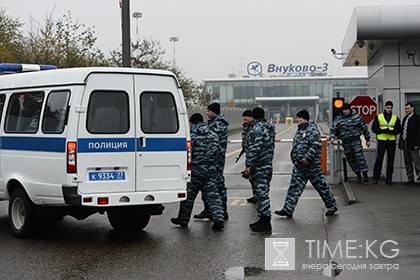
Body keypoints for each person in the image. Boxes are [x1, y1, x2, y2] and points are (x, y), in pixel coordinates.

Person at [275, 110, 337, 218]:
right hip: (299, 166)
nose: (298, 119)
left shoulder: (312, 129)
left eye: (301, 118)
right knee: (294, 188)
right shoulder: (299, 130)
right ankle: (288, 209)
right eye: (298, 118)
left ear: (305, 119)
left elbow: (316, 145)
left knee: (322, 187)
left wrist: (307, 158)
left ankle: (332, 206)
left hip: (311, 166)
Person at [171, 113, 225, 230]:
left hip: (196, 171)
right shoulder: (214, 135)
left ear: (193, 122)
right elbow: (218, 152)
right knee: (213, 196)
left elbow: (188, 154)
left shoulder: (192, 136)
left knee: (189, 197)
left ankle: (183, 220)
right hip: (210, 170)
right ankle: (219, 220)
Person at [194, 102, 229, 220]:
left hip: (215, 158)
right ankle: (209, 209)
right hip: (212, 158)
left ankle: (222, 210)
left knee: (217, 183)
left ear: (214, 111)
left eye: (208, 111)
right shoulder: (213, 123)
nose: (206, 113)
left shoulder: (218, 125)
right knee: (208, 185)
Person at [242, 107, 275, 232]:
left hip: (259, 166)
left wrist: (248, 165)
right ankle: (262, 219)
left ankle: (265, 221)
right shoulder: (269, 127)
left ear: (254, 116)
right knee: (262, 192)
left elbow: (255, 149)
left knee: (261, 195)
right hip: (267, 164)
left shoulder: (257, 129)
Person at [329, 103, 371, 183]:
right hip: (346, 142)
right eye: (343, 110)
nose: (345, 111)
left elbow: (364, 128)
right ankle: (358, 174)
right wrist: (332, 137)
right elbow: (333, 129)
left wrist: (367, 139)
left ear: (349, 110)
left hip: (355, 140)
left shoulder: (356, 117)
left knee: (360, 157)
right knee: (351, 159)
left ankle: (364, 173)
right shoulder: (338, 119)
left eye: (346, 110)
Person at [372, 101, 401, 185]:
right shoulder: (379, 117)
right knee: (379, 159)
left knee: (391, 160)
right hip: (382, 141)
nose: (389, 109)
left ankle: (389, 179)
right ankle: (375, 178)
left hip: (391, 141)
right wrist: (383, 130)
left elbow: (398, 129)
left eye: (390, 108)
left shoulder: (395, 118)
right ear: (385, 107)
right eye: (388, 108)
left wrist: (391, 132)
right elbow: (374, 128)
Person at [236, 109, 257, 203]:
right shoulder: (246, 127)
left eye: (246, 116)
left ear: (252, 117)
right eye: (243, 116)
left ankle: (258, 196)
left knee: (255, 176)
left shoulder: (255, 128)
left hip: (254, 154)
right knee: (251, 177)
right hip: (249, 153)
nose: (244, 118)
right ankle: (255, 194)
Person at [398, 102, 420, 185]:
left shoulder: (417, 118)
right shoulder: (405, 119)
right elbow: (403, 131)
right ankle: (410, 178)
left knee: (416, 162)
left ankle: (419, 179)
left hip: (413, 144)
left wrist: (417, 144)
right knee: (407, 161)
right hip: (405, 143)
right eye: (405, 109)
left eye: (408, 108)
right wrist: (401, 143)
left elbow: (418, 132)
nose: (406, 110)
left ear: (412, 108)